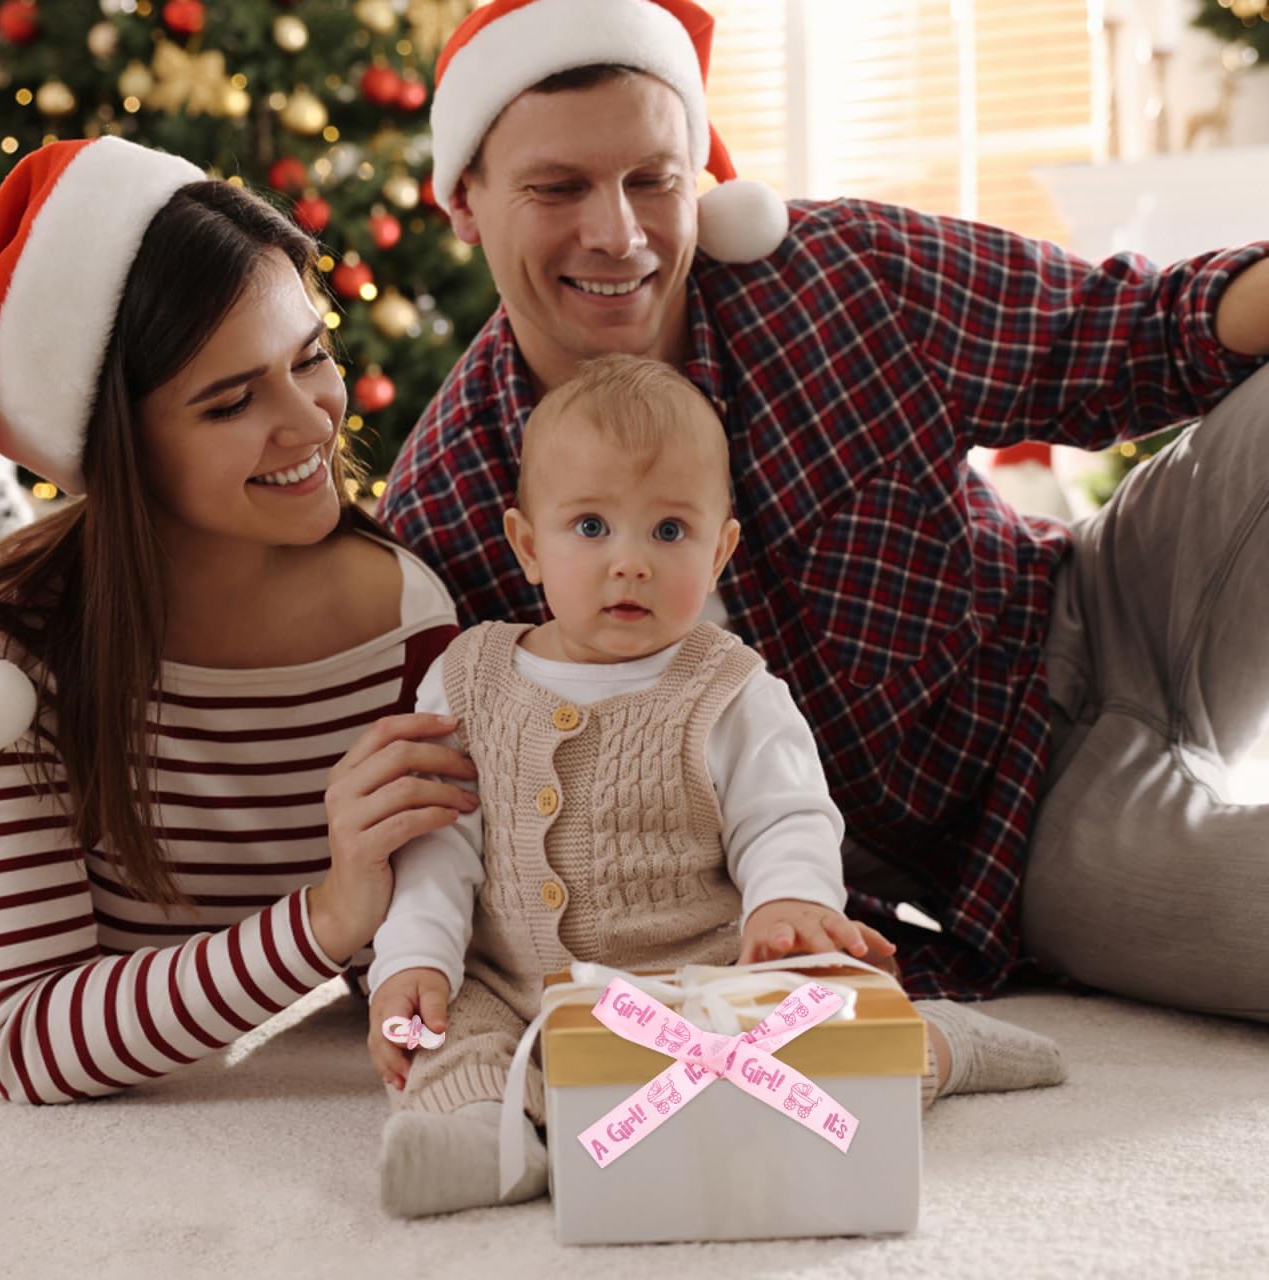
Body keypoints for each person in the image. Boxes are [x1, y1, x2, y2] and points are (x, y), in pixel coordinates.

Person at [378, 0, 1269, 1019]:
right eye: (556, 186)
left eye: (650, 180)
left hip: (1111, 600)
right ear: (462, 201)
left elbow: (1126, 333)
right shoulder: (447, 505)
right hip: (1030, 837)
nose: (616, 233)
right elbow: (464, 828)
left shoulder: (836, 270)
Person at [367, 355, 1065, 1219]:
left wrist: (787, 906)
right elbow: (438, 847)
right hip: (510, 985)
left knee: (803, 1059)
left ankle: (938, 1047)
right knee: (448, 1037)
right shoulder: (468, 680)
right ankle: (482, 1139)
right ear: (527, 545)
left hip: (697, 987)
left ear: (720, 548)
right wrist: (413, 962)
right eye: (590, 527)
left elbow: (786, 818)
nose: (630, 564)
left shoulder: (729, 689)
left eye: (668, 532)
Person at [0, 136, 478, 1104]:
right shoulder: (14, 662)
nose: (307, 424)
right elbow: (21, 1039)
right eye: (229, 402)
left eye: (312, 359)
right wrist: (325, 916)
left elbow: (426, 922)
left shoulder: (403, 613)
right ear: (116, 444)